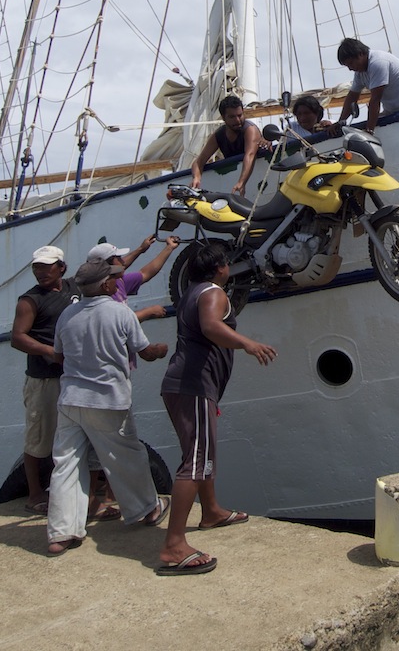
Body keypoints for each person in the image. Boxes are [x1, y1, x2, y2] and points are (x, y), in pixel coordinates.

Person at [155, 241, 276, 575]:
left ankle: (211, 511)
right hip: (192, 386)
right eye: (227, 264)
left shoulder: (191, 292)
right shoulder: (212, 293)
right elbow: (211, 326)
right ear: (221, 267)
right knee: (195, 461)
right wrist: (248, 343)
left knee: (200, 452)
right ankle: (173, 545)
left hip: (188, 387)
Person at [45, 258, 170, 556]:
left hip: (71, 400)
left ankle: (61, 534)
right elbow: (146, 352)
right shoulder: (120, 313)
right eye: (114, 278)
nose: (117, 281)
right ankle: (148, 509)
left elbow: (59, 355)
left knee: (66, 465)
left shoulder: (66, 315)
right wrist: (161, 350)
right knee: (127, 457)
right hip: (108, 400)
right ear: (104, 284)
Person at [9, 245, 82, 514]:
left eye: (46, 266)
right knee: (39, 438)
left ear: (61, 267)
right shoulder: (30, 300)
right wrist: (49, 352)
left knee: (73, 435)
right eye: (36, 267)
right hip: (44, 380)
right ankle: (35, 494)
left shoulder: (74, 288)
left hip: (72, 377)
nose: (40, 272)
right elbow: (18, 337)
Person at [333, 37, 399, 133]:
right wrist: (341, 121)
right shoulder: (360, 73)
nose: (350, 68)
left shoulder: (378, 63)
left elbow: (375, 99)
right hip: (397, 110)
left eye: (351, 63)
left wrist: (369, 131)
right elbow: (352, 97)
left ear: (360, 54)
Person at [85, 235, 182, 321]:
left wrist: (169, 248)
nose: (123, 262)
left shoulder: (119, 282)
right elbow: (118, 322)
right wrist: (148, 312)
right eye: (118, 258)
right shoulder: (99, 295)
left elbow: (145, 273)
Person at [190, 95, 270, 196]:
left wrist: (241, 182)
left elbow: (250, 155)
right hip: (230, 183)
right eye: (232, 117)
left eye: (240, 115)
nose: (237, 120)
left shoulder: (250, 130)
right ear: (223, 117)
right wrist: (196, 178)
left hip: (257, 181)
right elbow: (199, 162)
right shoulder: (218, 135)